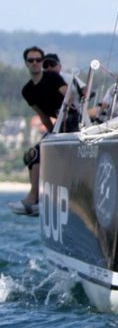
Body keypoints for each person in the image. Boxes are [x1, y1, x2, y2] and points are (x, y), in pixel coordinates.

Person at [11, 46, 68, 216]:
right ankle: (35, 197)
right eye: (31, 60)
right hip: (57, 124)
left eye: (38, 60)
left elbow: (68, 95)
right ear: (26, 64)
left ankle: (34, 197)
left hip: (70, 119)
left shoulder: (52, 77)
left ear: (42, 62)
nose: (35, 63)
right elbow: (42, 115)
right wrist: (51, 133)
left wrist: (67, 114)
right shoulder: (27, 90)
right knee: (33, 155)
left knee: (39, 153)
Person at [43, 52, 86, 131]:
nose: (49, 68)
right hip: (60, 119)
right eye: (45, 66)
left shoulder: (70, 78)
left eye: (52, 64)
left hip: (76, 117)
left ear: (59, 66)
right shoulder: (43, 84)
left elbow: (85, 91)